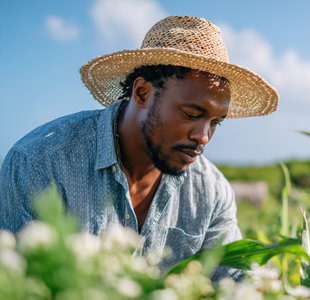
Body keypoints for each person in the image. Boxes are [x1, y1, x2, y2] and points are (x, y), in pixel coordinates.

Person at [0, 15, 278, 280]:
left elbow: (236, 280)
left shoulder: (212, 192)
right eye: (192, 115)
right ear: (142, 93)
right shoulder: (40, 164)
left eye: (216, 122)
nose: (203, 136)